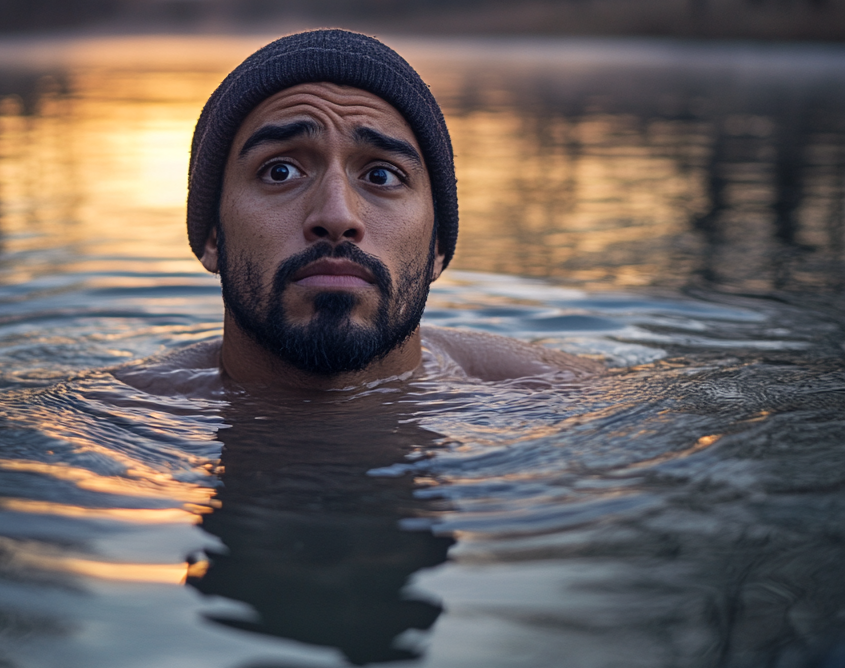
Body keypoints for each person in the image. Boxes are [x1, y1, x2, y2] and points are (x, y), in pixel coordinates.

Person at [117, 28, 599, 394]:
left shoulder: (565, 395)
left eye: (382, 176)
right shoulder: (106, 423)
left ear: (436, 247)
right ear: (212, 236)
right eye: (280, 172)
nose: (336, 215)